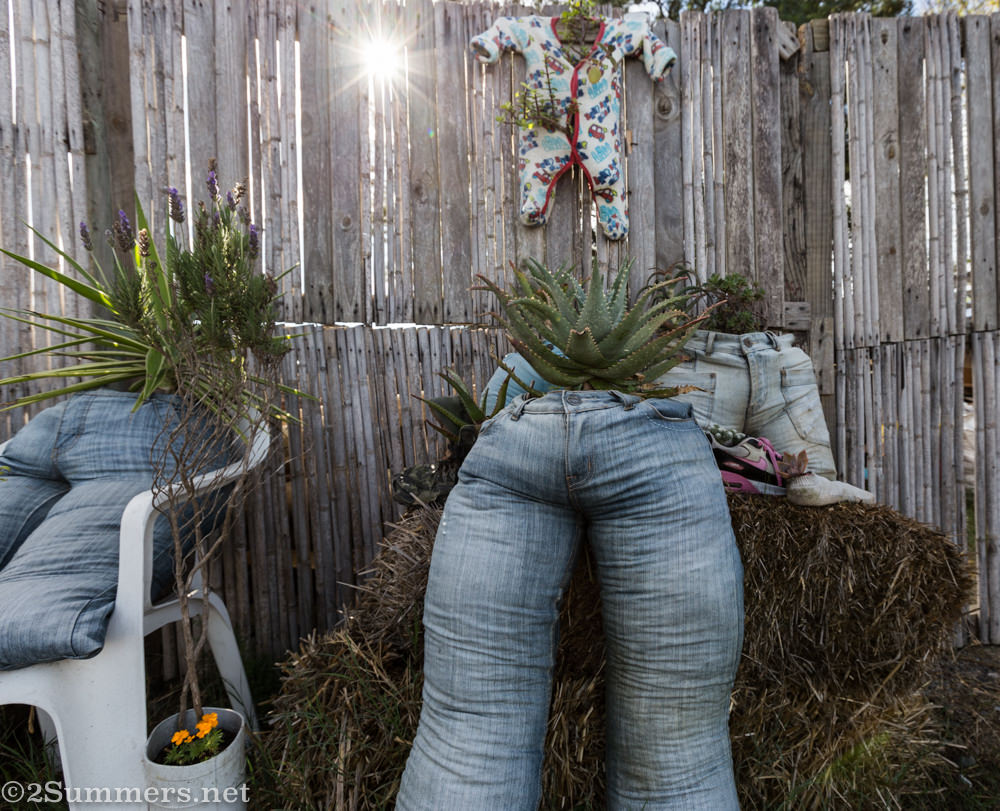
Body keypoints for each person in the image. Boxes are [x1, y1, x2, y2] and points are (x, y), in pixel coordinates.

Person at [396, 389, 743, 809]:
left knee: (469, 738)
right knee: (677, 751)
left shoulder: (518, 366)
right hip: (657, 453)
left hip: (515, 445)